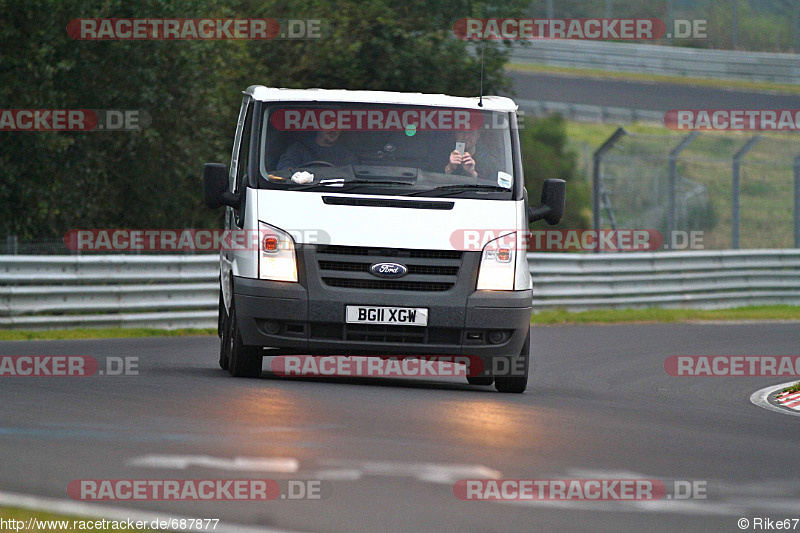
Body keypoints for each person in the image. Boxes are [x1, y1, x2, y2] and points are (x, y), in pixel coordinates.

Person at [277, 130, 358, 170]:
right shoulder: (298, 149)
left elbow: (354, 176)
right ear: (317, 125)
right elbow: (284, 170)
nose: (334, 129)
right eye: (329, 123)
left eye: (338, 125)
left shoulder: (346, 154)